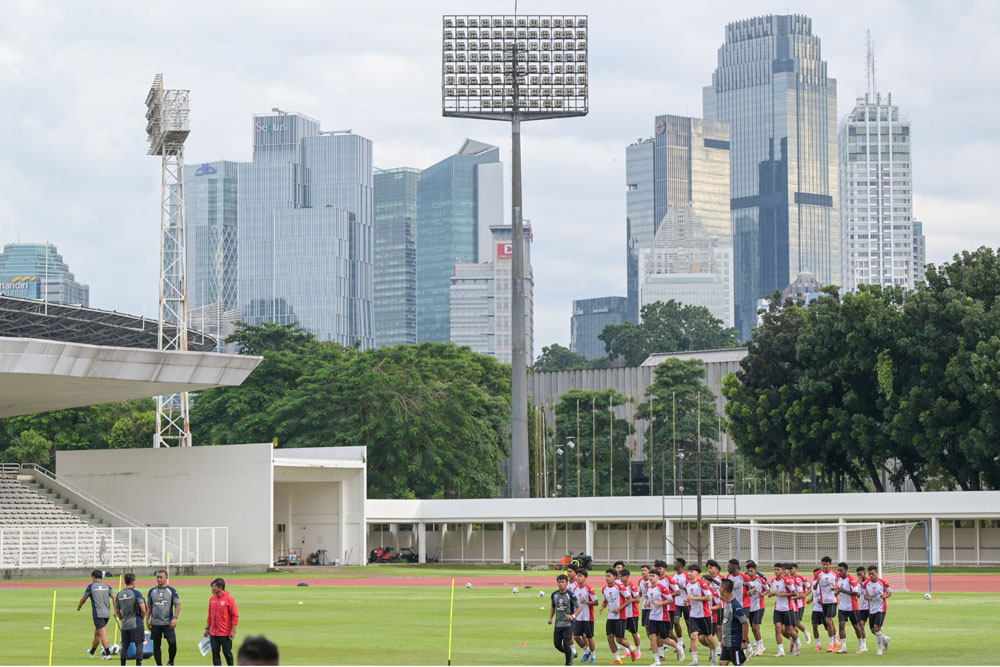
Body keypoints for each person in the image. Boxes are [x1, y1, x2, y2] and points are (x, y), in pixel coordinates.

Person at [644, 569, 681, 666]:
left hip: (663, 617)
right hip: (652, 617)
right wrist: (648, 603)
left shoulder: (662, 588)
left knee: (665, 639)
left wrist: (660, 603)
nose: (651, 578)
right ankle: (657, 661)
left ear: (658, 577)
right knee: (652, 637)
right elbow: (651, 599)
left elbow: (670, 600)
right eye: (650, 575)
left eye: (653, 576)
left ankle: (678, 647)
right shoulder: (649, 588)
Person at [78, 568, 115, 660]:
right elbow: (114, 597)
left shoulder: (91, 586)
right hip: (107, 614)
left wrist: (79, 606)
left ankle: (108, 654)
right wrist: (115, 610)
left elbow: (84, 598)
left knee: (102, 633)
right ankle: (92, 652)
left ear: (93, 577)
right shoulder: (108, 586)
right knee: (97, 634)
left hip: (98, 614)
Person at [599, 568, 634, 664]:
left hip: (620, 617)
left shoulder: (620, 587)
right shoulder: (604, 589)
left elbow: (630, 599)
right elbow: (605, 601)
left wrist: (619, 609)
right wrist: (602, 607)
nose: (607, 578)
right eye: (606, 576)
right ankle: (618, 659)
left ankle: (632, 649)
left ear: (615, 577)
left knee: (619, 639)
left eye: (609, 576)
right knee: (610, 638)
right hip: (610, 617)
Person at [145, 569, 180, 666]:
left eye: (161, 577)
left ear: (166, 578)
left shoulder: (172, 591)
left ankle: (171, 661)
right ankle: (159, 664)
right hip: (155, 623)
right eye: (157, 577)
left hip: (168, 622)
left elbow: (177, 605)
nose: (159, 579)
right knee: (156, 645)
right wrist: (147, 620)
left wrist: (175, 618)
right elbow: (149, 607)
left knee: (172, 643)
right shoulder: (152, 591)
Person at [683, 564, 715, 667]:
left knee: (709, 637)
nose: (689, 573)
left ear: (697, 573)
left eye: (692, 571)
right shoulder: (688, 584)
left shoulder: (702, 584)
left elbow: (709, 597)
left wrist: (693, 598)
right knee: (693, 636)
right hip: (693, 614)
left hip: (704, 614)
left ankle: (714, 656)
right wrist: (687, 600)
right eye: (689, 571)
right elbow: (691, 597)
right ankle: (695, 661)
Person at [205, 578, 239, 666]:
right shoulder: (212, 599)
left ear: (220, 587)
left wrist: (233, 631)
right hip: (213, 634)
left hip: (225, 633)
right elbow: (210, 615)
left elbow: (235, 615)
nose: (212, 588)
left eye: (214, 586)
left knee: (227, 653)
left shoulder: (229, 599)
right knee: (215, 654)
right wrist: (207, 628)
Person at [115, 573, 147, 666]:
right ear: (133, 582)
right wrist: (141, 618)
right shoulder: (136, 593)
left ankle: (123, 664)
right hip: (136, 622)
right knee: (139, 644)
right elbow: (143, 610)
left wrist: (123, 619)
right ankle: (138, 664)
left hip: (125, 624)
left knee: (125, 645)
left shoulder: (119, 594)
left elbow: (117, 611)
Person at [832, 562, 863, 654]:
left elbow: (856, 593)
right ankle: (844, 647)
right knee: (841, 625)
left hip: (852, 607)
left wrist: (842, 591)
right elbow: (840, 589)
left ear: (846, 570)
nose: (839, 572)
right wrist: (837, 592)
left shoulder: (851, 580)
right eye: (838, 570)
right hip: (842, 607)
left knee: (856, 626)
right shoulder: (840, 579)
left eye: (841, 570)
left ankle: (860, 645)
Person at [768, 563, 799, 657]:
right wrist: (772, 594)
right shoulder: (774, 581)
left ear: (782, 570)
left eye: (778, 569)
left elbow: (795, 593)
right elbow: (777, 593)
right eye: (775, 569)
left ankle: (797, 642)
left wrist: (782, 594)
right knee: (778, 628)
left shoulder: (786, 581)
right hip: (778, 609)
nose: (776, 571)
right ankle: (781, 650)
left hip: (787, 609)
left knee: (789, 630)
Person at [717, 579, 750, 667]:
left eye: (720, 587)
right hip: (727, 641)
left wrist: (744, 641)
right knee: (722, 663)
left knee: (738, 664)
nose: (718, 589)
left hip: (734, 641)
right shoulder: (727, 603)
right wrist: (723, 638)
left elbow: (745, 623)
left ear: (723, 589)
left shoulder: (735, 606)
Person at [550, 573, 580, 666]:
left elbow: (579, 607)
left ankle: (568, 663)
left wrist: (573, 616)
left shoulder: (570, 595)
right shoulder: (554, 595)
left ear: (566, 583)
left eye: (563, 582)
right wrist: (550, 618)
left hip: (568, 624)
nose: (561, 584)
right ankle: (570, 654)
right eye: (559, 582)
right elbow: (553, 607)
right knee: (557, 645)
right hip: (558, 623)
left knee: (566, 643)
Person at [863, 566, 891, 655]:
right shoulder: (866, 584)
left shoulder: (882, 583)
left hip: (881, 608)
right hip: (872, 608)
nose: (871, 576)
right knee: (872, 630)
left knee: (877, 627)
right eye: (869, 574)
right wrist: (867, 597)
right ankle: (884, 639)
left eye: (873, 574)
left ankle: (880, 649)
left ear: (876, 573)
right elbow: (865, 595)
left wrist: (885, 596)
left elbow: (889, 593)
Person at [573, 569, 598, 664]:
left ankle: (593, 656)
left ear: (585, 578)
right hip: (578, 616)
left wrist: (586, 602)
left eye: (580, 576)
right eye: (578, 576)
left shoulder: (589, 589)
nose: (578, 578)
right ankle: (586, 652)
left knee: (589, 637)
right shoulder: (576, 589)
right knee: (575, 636)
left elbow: (596, 602)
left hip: (588, 617)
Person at [744, 561, 766, 656]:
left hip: (758, 606)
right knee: (746, 627)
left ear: (755, 571)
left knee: (755, 627)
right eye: (748, 571)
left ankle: (759, 647)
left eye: (751, 571)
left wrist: (762, 594)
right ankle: (749, 647)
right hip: (747, 606)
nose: (750, 573)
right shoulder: (745, 580)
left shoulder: (760, 580)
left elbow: (768, 589)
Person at [620, 569, 642, 657]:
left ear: (627, 577)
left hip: (632, 614)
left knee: (634, 633)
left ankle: (638, 651)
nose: (620, 578)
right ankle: (627, 650)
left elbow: (638, 600)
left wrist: (629, 600)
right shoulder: (620, 586)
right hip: (623, 614)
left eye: (622, 576)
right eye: (620, 576)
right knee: (621, 633)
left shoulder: (632, 586)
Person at [854, 567, 870, 650]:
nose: (859, 576)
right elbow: (858, 594)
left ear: (865, 573)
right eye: (857, 575)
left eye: (860, 574)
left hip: (871, 608)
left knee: (874, 629)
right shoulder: (858, 583)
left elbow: (869, 592)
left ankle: (883, 638)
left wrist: (861, 584)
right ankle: (864, 645)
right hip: (862, 608)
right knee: (861, 625)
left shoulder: (870, 581)